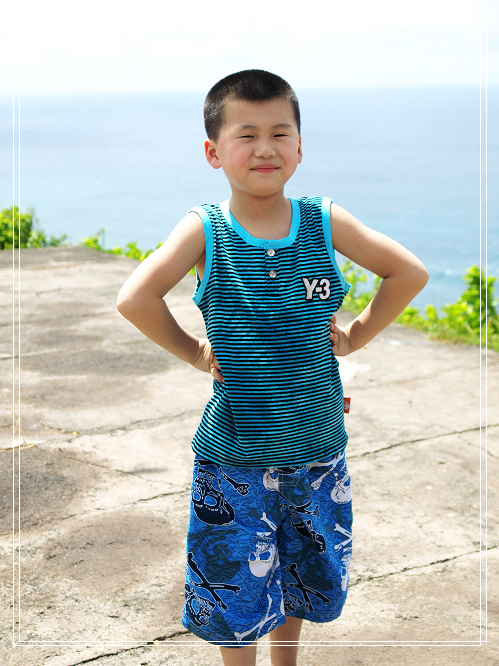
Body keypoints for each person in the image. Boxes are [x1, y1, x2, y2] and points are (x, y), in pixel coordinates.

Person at [116, 69, 429, 666]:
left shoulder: (323, 221)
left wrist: (355, 335)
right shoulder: (205, 230)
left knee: (301, 575)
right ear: (213, 152)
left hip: (316, 448)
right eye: (246, 135)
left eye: (280, 134)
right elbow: (135, 298)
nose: (265, 148)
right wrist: (195, 352)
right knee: (234, 590)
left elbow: (407, 272)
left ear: (300, 148)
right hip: (235, 458)